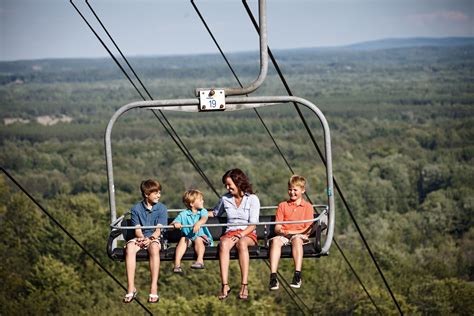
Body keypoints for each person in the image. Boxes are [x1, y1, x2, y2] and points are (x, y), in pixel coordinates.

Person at [209, 168, 260, 300]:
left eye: (229, 185)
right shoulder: (225, 199)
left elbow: (253, 224)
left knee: (241, 244)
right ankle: (225, 284)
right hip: (231, 232)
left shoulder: (252, 199)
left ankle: (244, 284)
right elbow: (215, 213)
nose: (227, 187)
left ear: (238, 183)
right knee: (224, 244)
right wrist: (197, 213)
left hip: (247, 233)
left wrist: (242, 234)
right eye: (226, 185)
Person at [123, 179, 168, 304]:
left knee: (153, 248)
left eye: (159, 192)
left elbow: (159, 230)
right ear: (146, 194)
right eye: (155, 193)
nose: (159, 195)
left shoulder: (161, 208)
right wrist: (141, 238)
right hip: (141, 237)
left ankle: (154, 287)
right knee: (130, 248)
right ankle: (131, 287)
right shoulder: (136, 209)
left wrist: (151, 239)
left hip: (154, 238)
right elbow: (137, 229)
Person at [269, 175, 314, 290]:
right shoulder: (283, 206)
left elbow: (307, 228)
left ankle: (297, 274)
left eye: (295, 190)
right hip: (285, 235)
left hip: (300, 235)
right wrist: (282, 231)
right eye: (290, 189)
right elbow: (277, 227)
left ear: (302, 190)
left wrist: (292, 231)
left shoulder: (307, 207)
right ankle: (273, 276)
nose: (292, 193)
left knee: (297, 239)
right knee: (275, 241)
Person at [171, 189, 213, 273]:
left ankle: (200, 260)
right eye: (200, 200)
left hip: (202, 238)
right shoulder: (183, 214)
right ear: (192, 203)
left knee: (198, 239)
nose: (203, 201)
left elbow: (204, 218)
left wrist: (199, 223)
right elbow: (172, 224)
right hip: (190, 239)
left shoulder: (203, 211)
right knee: (183, 239)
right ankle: (177, 265)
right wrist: (175, 224)